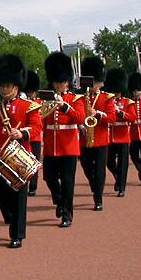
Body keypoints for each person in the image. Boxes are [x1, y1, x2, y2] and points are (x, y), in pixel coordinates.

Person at [0, 54, 41, 248]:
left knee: (19, 195)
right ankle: (8, 213)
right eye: (2, 86)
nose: (4, 90)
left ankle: (17, 234)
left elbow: (36, 127)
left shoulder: (28, 106)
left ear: (16, 86)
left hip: (19, 153)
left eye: (8, 86)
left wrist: (21, 133)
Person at [41, 52, 86, 228]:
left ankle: (67, 215)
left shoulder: (76, 99)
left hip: (69, 147)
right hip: (51, 146)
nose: (59, 85)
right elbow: (41, 119)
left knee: (68, 182)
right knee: (49, 178)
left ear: (67, 82)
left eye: (62, 82)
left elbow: (81, 117)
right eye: (56, 82)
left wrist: (65, 107)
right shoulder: (46, 98)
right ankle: (59, 201)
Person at [77, 57, 116, 211]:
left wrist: (98, 114)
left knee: (100, 169)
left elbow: (111, 117)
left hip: (100, 139)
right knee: (86, 166)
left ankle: (98, 198)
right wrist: (81, 124)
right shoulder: (81, 98)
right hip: (85, 138)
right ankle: (95, 186)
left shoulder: (107, 98)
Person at [104, 68, 136, 197]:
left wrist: (120, 113)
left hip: (123, 136)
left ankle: (121, 187)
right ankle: (118, 177)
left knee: (123, 163)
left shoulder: (128, 102)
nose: (116, 93)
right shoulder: (108, 101)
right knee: (109, 162)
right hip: (110, 136)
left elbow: (132, 118)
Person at [23, 70, 43, 196]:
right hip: (24, 136)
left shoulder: (40, 102)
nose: (30, 93)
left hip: (35, 137)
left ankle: (33, 186)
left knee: (34, 162)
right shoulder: (23, 102)